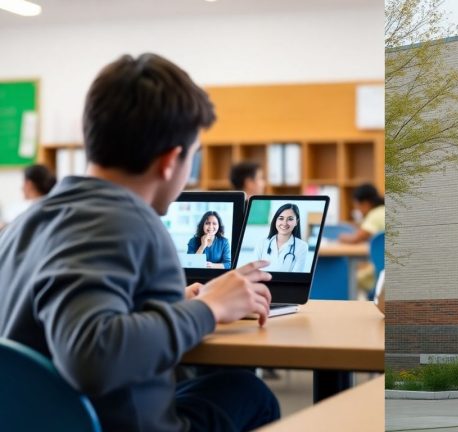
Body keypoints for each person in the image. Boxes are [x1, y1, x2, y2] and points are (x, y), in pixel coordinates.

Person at [0, 53, 279, 432]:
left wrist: (173, 305)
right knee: (249, 392)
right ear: (170, 161)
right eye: (192, 158)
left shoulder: (26, 222)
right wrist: (209, 309)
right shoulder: (129, 222)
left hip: (32, 420)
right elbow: (91, 354)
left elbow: (61, 311)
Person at [254, 203, 308, 272]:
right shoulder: (262, 243)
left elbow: (296, 277)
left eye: (290, 219)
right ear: (275, 220)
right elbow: (253, 271)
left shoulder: (302, 246)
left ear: (296, 222)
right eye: (281, 218)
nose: (284, 223)